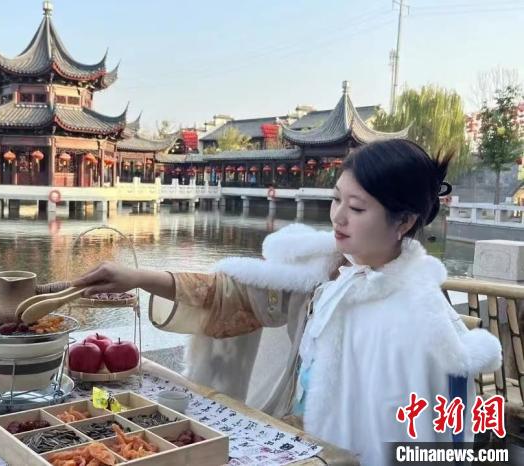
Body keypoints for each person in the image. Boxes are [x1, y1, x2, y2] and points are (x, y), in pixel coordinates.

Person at [73, 139, 502, 465]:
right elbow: (231, 297)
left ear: (404, 221)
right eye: (337, 200)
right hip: (301, 445)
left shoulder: (420, 319)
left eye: (356, 207)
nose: (338, 217)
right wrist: (136, 277)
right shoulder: (329, 273)